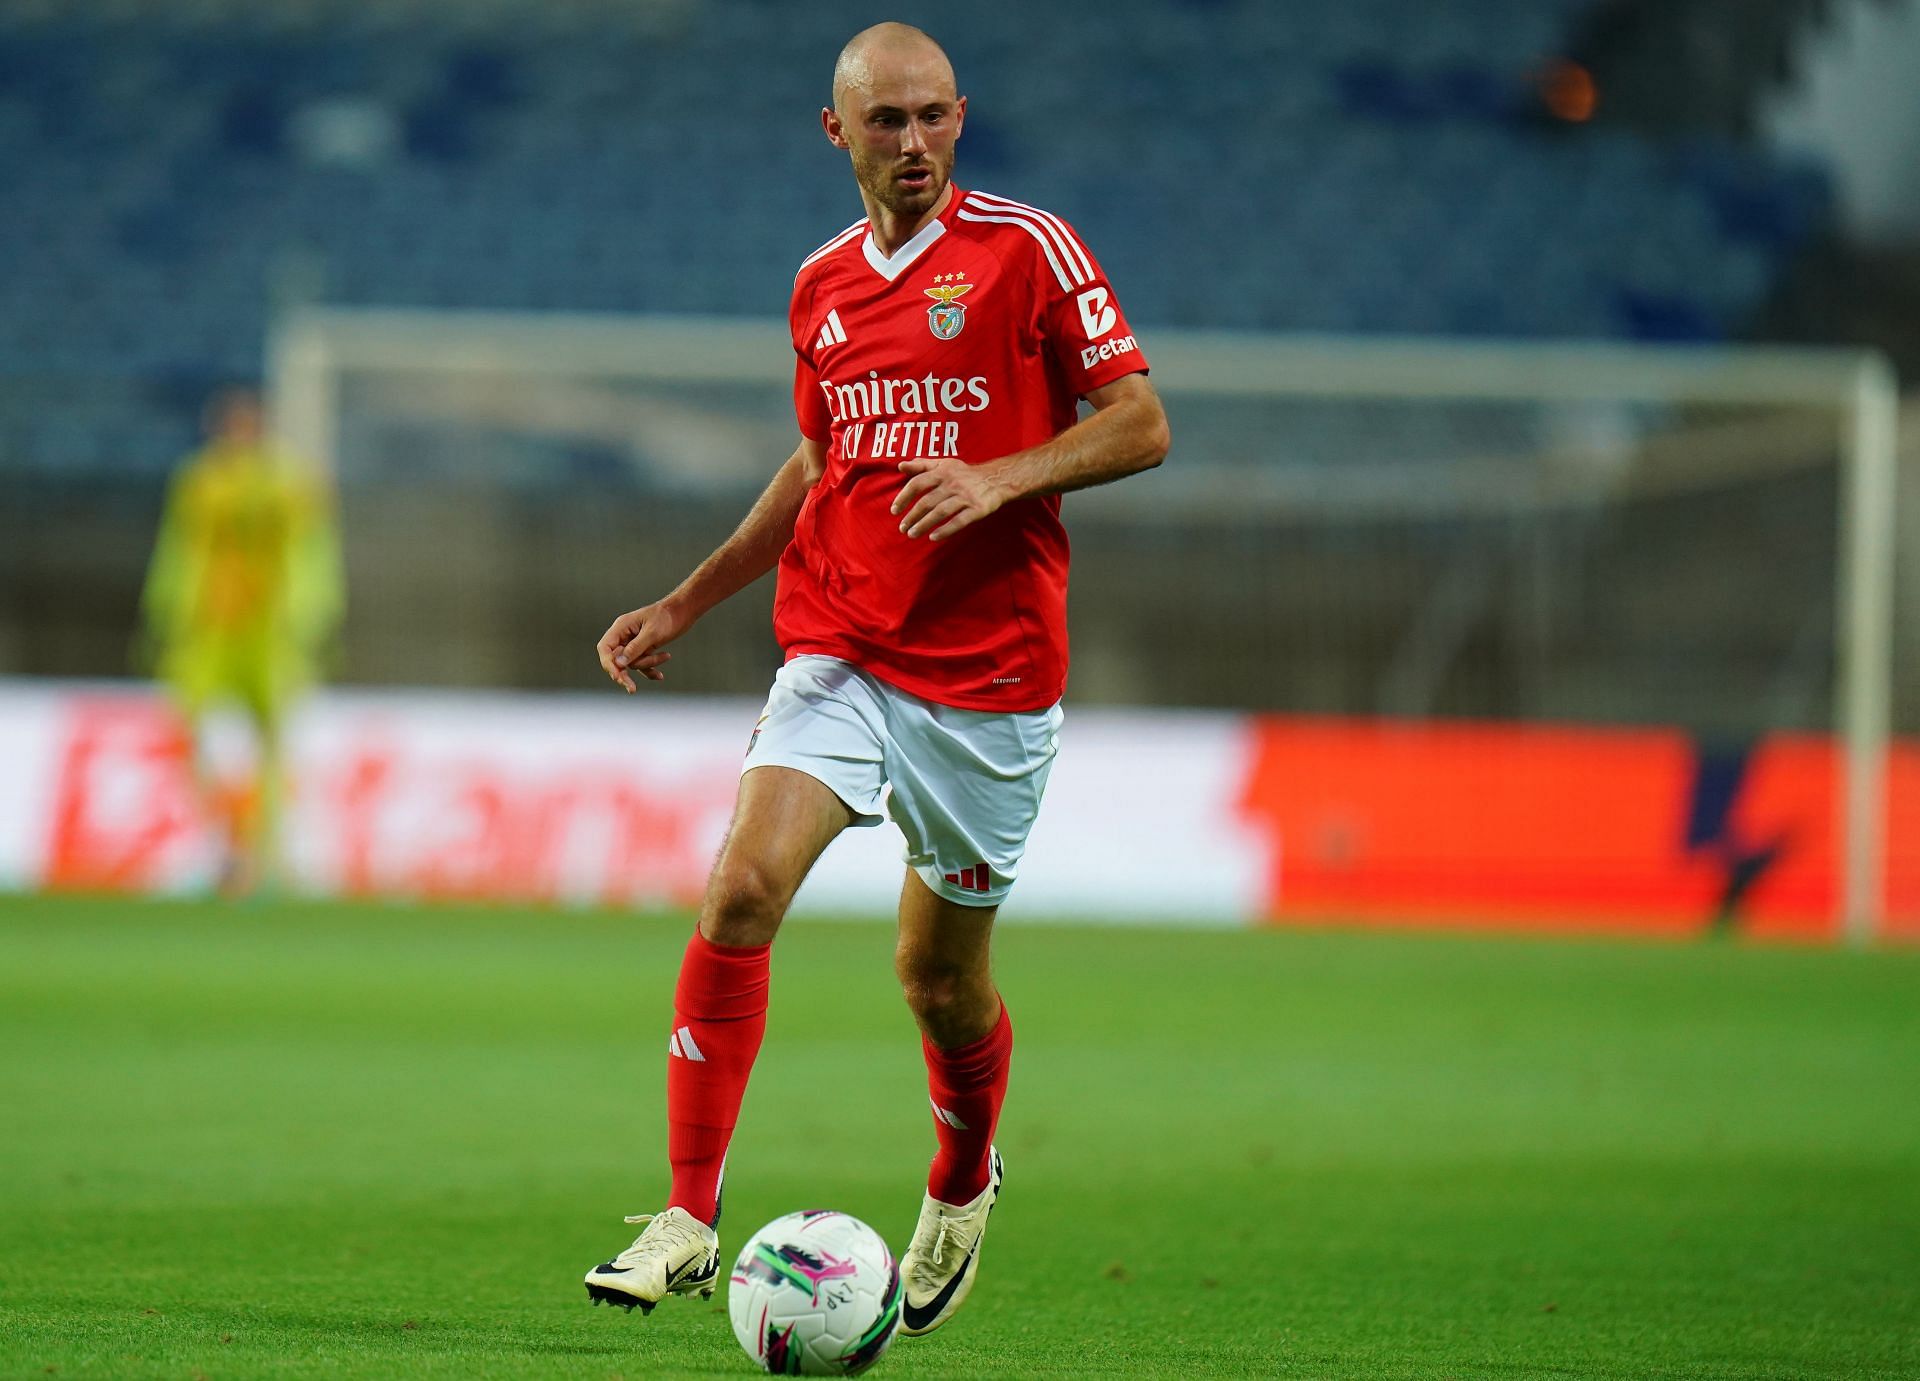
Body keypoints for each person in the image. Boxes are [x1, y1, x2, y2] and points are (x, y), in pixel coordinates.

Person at [585, 22, 1168, 1338]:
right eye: (886, 122)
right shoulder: (820, 287)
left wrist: (1002, 475)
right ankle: (686, 1215)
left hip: (994, 682)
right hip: (841, 649)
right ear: (835, 133)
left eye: (933, 118)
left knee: (938, 983)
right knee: (739, 889)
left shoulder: (1030, 249)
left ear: (960, 117)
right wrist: (686, 596)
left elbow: (1142, 420)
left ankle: (962, 1178)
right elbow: (813, 465)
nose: (914, 144)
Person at [138, 388, 344, 892]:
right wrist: (165, 609)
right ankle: (224, 845)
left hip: (269, 633)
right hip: (209, 628)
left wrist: (313, 612)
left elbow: (314, 550)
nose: (237, 436)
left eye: (246, 426)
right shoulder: (198, 481)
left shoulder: (290, 482)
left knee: (273, 745)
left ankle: (263, 857)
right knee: (186, 731)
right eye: (230, 426)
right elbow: (178, 548)